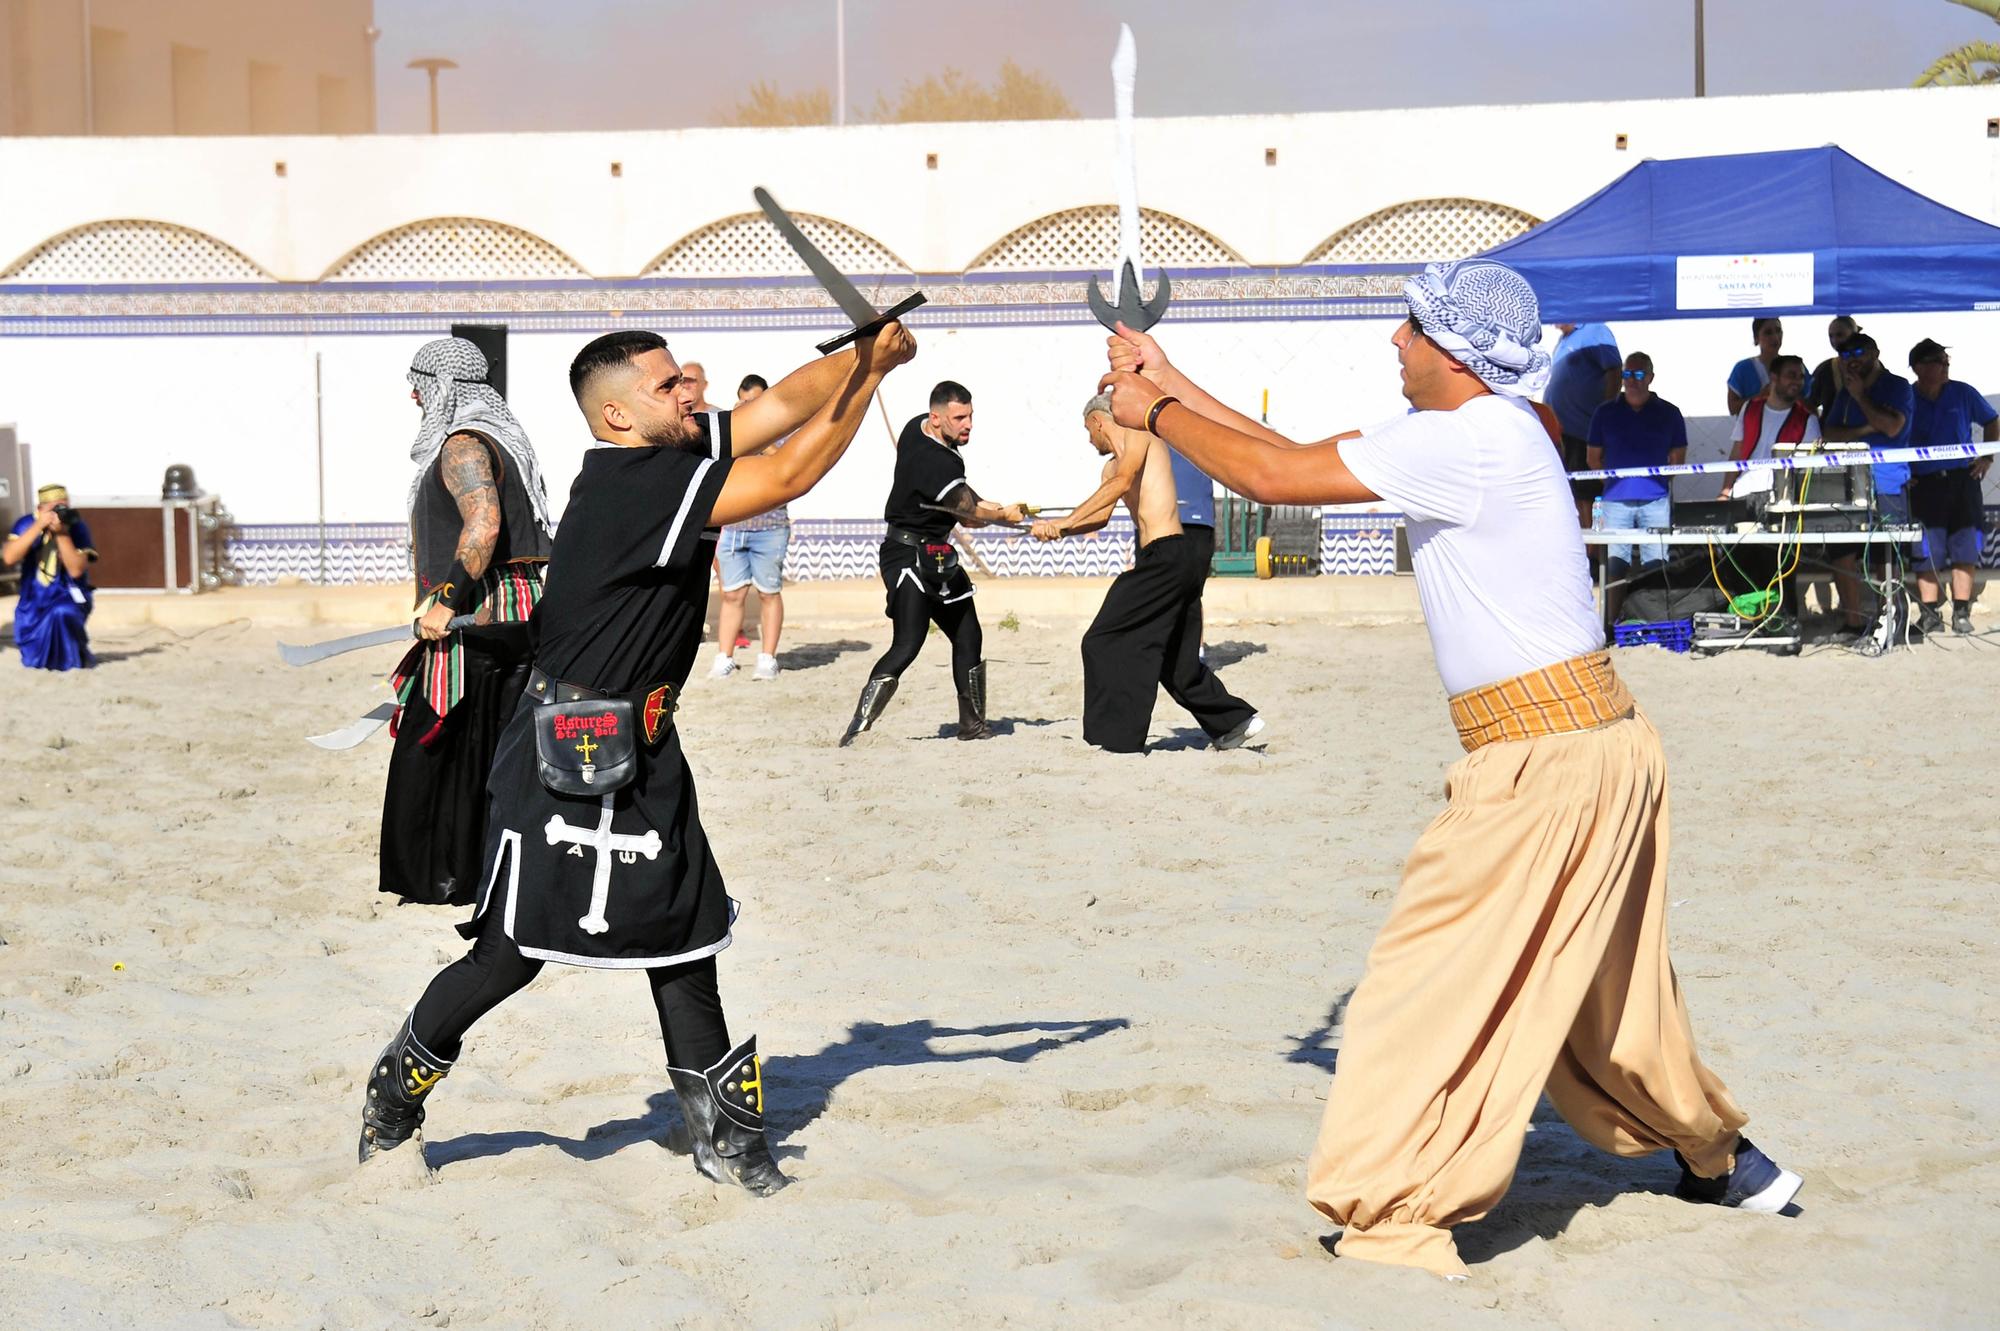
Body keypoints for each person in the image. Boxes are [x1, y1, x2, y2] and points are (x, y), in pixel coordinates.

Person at [1098, 258, 1799, 1281]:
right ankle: (1720, 1158)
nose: (1394, 340)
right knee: (1610, 1001)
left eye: (1410, 328)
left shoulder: (1464, 440)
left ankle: (1394, 1212)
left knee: (1419, 985)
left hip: (1543, 765)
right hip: (1589, 745)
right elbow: (1287, 453)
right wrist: (1168, 378)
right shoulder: (1485, 431)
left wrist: (1152, 410)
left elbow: (1272, 481)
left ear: (1454, 353)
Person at [355, 321, 919, 1195]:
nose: (692, 390)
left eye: (687, 381)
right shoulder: (636, 481)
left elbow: (778, 409)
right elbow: (791, 471)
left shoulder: (672, 451)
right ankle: (394, 1096)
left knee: (685, 943)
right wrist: (873, 375)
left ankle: (727, 1143)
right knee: (509, 955)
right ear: (617, 414)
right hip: (563, 748)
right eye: (669, 386)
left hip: (650, 746)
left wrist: (858, 356)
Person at [379, 337, 554, 907]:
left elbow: (483, 523)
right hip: (510, 609)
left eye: (419, 384)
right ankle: (483, 871)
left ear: (441, 386)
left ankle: (454, 874)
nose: (413, 395)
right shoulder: (502, 438)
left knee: (452, 738)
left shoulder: (464, 444)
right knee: (493, 740)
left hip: (482, 618)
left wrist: (447, 601)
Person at [1030, 396, 1264, 753]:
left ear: (1098, 421)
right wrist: (1058, 530)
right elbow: (1101, 515)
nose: (1089, 441)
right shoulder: (1110, 468)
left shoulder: (1140, 435)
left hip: (1169, 553)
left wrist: (1066, 520)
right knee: (1176, 658)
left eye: (1087, 432)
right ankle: (1234, 722)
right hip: (1167, 558)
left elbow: (1123, 482)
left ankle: (1115, 740)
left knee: (1102, 639)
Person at [840, 380, 1024, 745]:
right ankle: (858, 728)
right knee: (908, 643)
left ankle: (972, 725)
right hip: (906, 555)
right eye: (959, 417)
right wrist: (1004, 515)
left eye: (970, 415)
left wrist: (994, 505)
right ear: (936, 418)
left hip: (937, 554)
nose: (968, 424)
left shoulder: (915, 428)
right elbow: (969, 515)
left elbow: (964, 494)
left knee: (968, 633)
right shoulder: (934, 462)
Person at [1821, 332, 1914, 637]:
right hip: (1846, 484)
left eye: (1860, 352)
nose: (1853, 360)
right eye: (1846, 355)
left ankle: (1889, 621)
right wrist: (1862, 428)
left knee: (1885, 555)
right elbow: (1829, 434)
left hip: (1887, 482)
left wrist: (1862, 396)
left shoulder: (1896, 386)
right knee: (1842, 552)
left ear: (1875, 352)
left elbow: (1891, 427)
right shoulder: (1844, 393)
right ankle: (1853, 621)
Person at [1905, 338, 1997, 636]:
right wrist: (1904, 470)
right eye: (1939, 361)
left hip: (1962, 480)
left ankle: (1960, 612)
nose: (1946, 367)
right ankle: (1929, 614)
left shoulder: (1963, 392)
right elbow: (1893, 434)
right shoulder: (1905, 396)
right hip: (1923, 483)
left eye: (1947, 362)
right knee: (1925, 550)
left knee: (1964, 547)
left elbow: (1992, 420)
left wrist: (1986, 456)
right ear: (1919, 367)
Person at [1586, 352, 1687, 619]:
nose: (1633, 380)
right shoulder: (1604, 412)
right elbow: (1592, 457)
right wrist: (1612, 484)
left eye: (1639, 374)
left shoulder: (1670, 412)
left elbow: (1678, 457)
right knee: (1614, 566)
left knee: (1656, 566)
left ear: (1651, 378)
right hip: (1614, 502)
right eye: (1628, 374)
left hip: (1656, 501)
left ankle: (1656, 622)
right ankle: (1611, 623)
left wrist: (1659, 484)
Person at [1718, 355, 1818, 617]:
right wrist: (1725, 491)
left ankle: (1782, 622)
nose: (1797, 381)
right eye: (1791, 375)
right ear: (1774, 378)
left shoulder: (1807, 419)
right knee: (1739, 565)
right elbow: (1737, 452)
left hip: (1781, 501)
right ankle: (1747, 620)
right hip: (1743, 496)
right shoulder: (1750, 408)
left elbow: (1808, 468)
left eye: (1800, 376)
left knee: (1779, 570)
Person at [707, 374, 791, 680]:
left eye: (754, 401)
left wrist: (759, 435)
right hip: (733, 526)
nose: (749, 407)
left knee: (769, 592)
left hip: (771, 526)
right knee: (732, 594)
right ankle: (724, 656)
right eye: (744, 402)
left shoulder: (780, 431)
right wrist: (738, 428)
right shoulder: (731, 432)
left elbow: (786, 462)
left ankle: (767, 657)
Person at [3, 483, 96, 670]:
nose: (60, 512)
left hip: (68, 593)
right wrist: (38, 526)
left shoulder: (77, 527)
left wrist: (62, 534)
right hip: (33, 598)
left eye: (64, 507)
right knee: (33, 660)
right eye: (54, 508)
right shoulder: (26, 523)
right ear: (40, 509)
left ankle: (71, 661)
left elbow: (76, 570)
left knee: (62, 613)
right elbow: (9, 557)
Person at [1542, 322, 1622, 528]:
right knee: (1572, 491)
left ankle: (1593, 551)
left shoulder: (1595, 330)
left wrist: (1606, 413)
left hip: (1583, 430)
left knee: (1586, 492)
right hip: (1562, 433)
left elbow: (1614, 370)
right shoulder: (1564, 339)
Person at [1725, 317, 1783, 416]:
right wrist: (1761, 396)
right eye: (1768, 332)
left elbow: (1810, 402)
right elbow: (1733, 408)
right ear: (1756, 338)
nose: (1775, 337)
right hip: (1752, 429)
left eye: (1778, 331)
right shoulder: (1742, 369)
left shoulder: (1794, 366)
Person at [1805, 315, 1861, 415]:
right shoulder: (1824, 369)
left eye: (1840, 335)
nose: (1835, 340)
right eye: (1831, 336)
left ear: (1854, 334)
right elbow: (1810, 403)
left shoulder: (1868, 365)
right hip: (1831, 429)